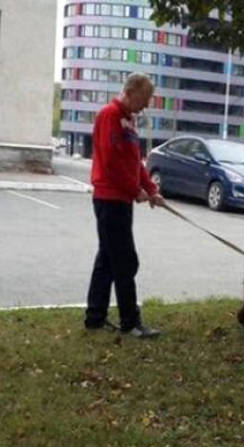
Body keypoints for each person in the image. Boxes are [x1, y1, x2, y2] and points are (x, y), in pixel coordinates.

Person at [84, 73, 165, 338]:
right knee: (125, 261)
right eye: (144, 99)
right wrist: (135, 191)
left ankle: (95, 317)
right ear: (129, 92)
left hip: (121, 200)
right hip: (110, 199)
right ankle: (130, 322)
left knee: (107, 258)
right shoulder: (110, 116)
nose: (145, 106)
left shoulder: (129, 121)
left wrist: (151, 189)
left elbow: (134, 163)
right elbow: (110, 163)